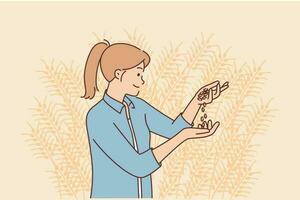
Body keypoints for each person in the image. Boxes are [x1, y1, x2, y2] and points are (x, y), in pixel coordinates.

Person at [81, 40, 229, 198]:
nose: (142, 81)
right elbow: (138, 165)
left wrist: (197, 101)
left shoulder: (138, 107)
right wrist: (183, 136)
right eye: (138, 74)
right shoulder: (98, 118)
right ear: (119, 73)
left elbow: (172, 129)